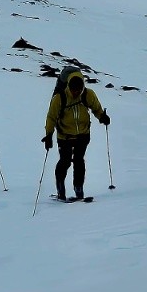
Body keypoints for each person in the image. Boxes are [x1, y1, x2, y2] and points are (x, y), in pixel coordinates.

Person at [42, 69, 109, 200]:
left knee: (79, 161)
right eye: (73, 90)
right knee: (65, 161)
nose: (76, 92)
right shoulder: (59, 98)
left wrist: (102, 117)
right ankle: (61, 189)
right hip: (64, 135)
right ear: (69, 86)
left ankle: (79, 190)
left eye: (78, 90)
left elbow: (96, 108)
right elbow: (51, 117)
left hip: (83, 134)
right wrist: (49, 135)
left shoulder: (88, 94)